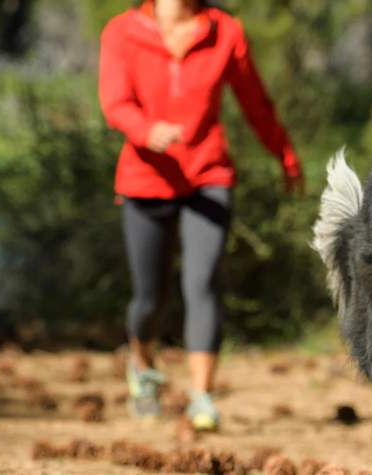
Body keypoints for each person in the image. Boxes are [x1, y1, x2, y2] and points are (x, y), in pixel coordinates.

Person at [98, 0, 304, 431]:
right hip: (145, 178)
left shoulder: (225, 32)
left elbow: (255, 102)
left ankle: (202, 396)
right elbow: (115, 103)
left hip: (208, 177)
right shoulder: (121, 32)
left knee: (203, 282)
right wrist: (145, 129)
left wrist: (284, 154)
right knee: (149, 298)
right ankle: (142, 366)